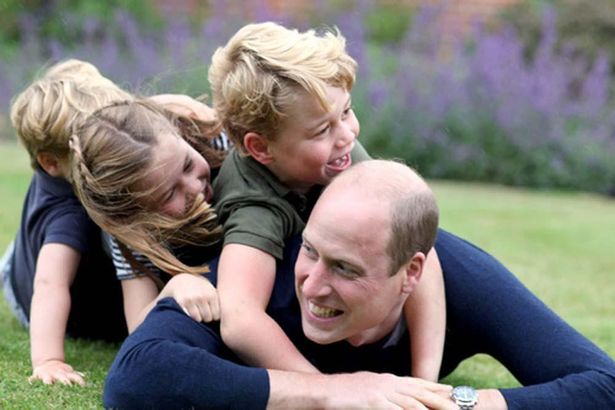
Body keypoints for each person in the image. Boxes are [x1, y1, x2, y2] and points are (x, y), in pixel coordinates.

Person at [102, 159, 615, 409]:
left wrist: (452, 404)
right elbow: (134, 378)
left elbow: (602, 384)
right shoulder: (260, 274)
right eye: (311, 250)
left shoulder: (460, 278)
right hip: (100, 276)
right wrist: (330, 394)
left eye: (345, 269)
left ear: (411, 273)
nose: (313, 285)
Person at [208, 21, 446, 379]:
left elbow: (422, 253)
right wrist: (327, 392)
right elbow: (240, 318)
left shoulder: (339, 149)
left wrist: (425, 382)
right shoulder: (253, 201)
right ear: (261, 148)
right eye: (322, 130)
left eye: (347, 111)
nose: (347, 134)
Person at [2, 60, 132, 386]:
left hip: (23, 256)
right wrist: (49, 359)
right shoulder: (69, 214)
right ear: (52, 162)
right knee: (51, 252)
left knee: (28, 244)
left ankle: (19, 252)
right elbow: (49, 286)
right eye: (96, 149)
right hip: (27, 295)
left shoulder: (62, 165)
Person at [69, 99, 228, 332]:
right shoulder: (133, 236)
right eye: (170, 193)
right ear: (137, 215)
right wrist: (175, 286)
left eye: (186, 165)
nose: (195, 187)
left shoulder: (218, 142)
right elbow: (137, 325)